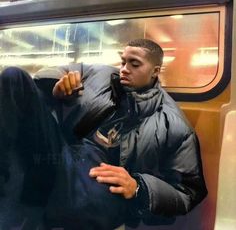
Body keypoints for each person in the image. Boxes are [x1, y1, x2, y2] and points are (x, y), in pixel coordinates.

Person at [0, 38, 207, 230]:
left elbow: (187, 191)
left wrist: (138, 186)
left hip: (101, 179)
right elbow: (57, 71)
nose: (124, 69)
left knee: (65, 204)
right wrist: (58, 86)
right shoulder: (102, 75)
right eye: (123, 62)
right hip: (63, 152)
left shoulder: (172, 123)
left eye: (134, 65)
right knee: (14, 77)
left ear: (155, 71)